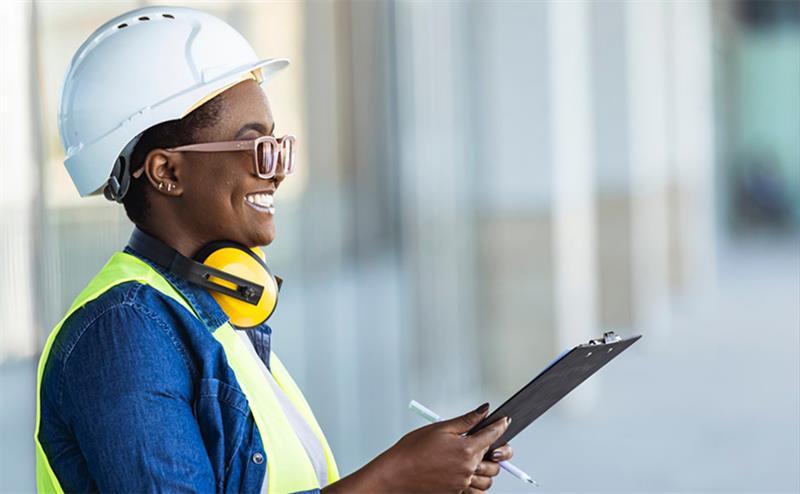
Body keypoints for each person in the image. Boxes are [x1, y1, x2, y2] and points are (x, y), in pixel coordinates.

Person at [35, 6, 513, 493]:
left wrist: (421, 480)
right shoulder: (124, 333)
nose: (278, 170)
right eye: (256, 147)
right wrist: (392, 480)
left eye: (279, 146)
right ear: (167, 173)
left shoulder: (221, 323)